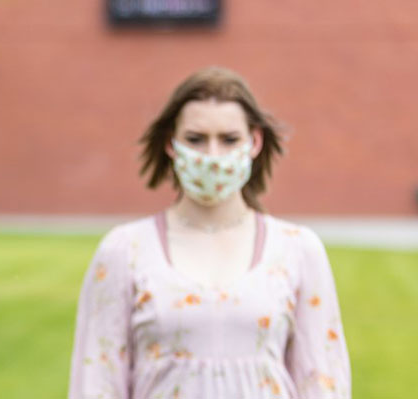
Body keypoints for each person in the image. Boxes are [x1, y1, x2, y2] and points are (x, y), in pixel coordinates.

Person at [68, 67, 350, 398]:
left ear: (254, 141)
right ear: (171, 143)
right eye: (196, 139)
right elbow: (98, 381)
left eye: (229, 139)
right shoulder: (124, 251)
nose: (212, 156)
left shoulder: (298, 250)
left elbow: (322, 379)